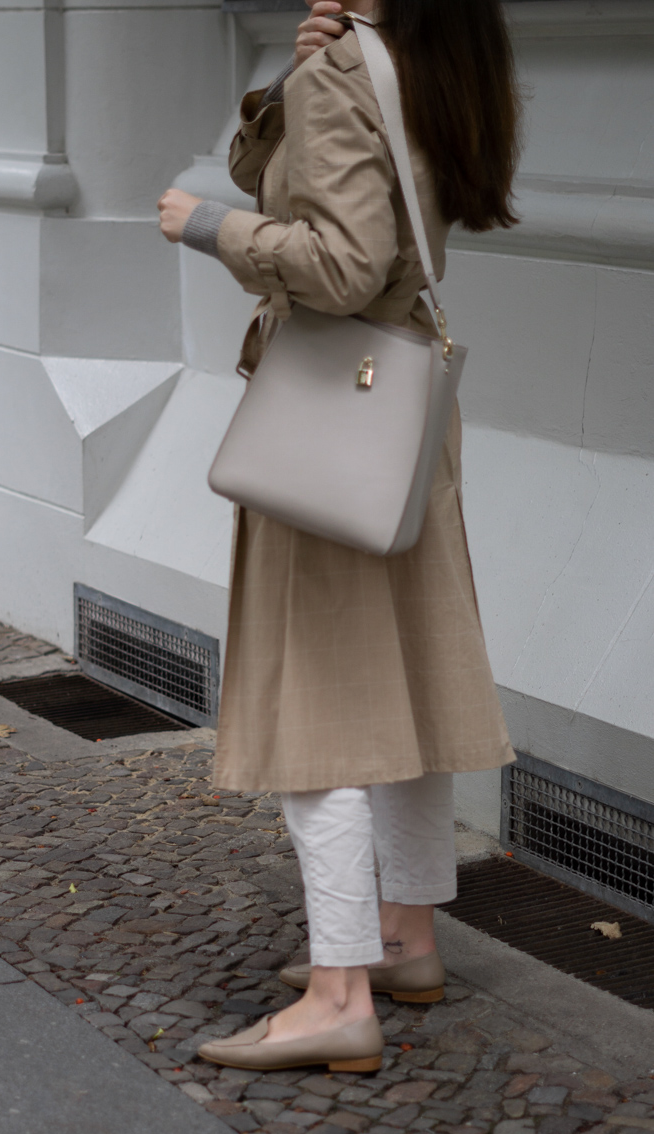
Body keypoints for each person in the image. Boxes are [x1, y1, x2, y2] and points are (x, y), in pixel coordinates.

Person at [157, 0, 521, 1072]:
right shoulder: (436, 61)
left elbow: (342, 263)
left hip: (332, 407)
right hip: (402, 407)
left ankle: (337, 992)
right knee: (403, 673)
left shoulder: (347, 75)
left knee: (314, 690)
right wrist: (294, 81)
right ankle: (406, 938)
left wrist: (205, 223)